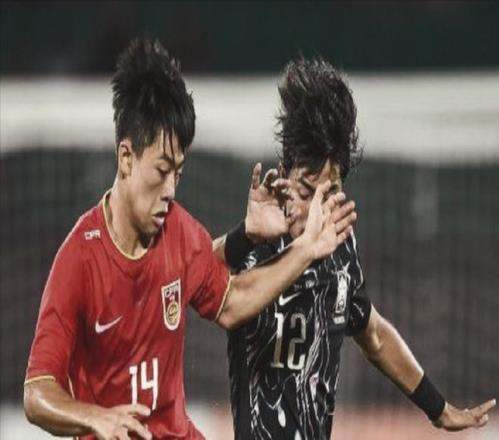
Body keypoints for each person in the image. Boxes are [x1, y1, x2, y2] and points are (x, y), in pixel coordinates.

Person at [23, 39, 357, 440]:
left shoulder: (179, 231)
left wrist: (277, 243)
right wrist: (95, 417)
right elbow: (37, 393)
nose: (170, 189)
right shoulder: (79, 258)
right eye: (161, 170)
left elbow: (231, 304)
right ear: (126, 158)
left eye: (178, 173)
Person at [222, 57, 496, 440]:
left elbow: (374, 334)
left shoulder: (340, 247)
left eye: (331, 192)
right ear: (282, 174)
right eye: (306, 191)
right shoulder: (254, 245)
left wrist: (439, 409)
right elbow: (208, 288)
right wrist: (247, 237)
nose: (318, 208)